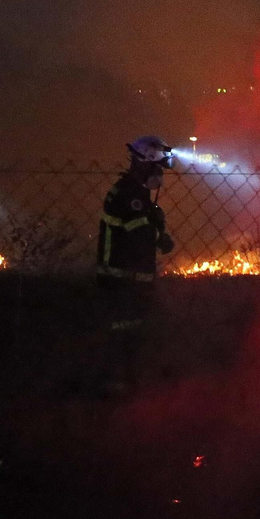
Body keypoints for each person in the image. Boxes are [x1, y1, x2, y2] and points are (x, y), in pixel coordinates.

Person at [95, 135, 176, 394]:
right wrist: (160, 235)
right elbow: (139, 236)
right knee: (127, 333)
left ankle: (125, 385)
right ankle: (121, 388)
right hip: (124, 277)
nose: (159, 175)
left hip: (122, 276)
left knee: (128, 331)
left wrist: (153, 219)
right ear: (145, 164)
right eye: (157, 168)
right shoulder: (132, 195)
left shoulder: (131, 191)